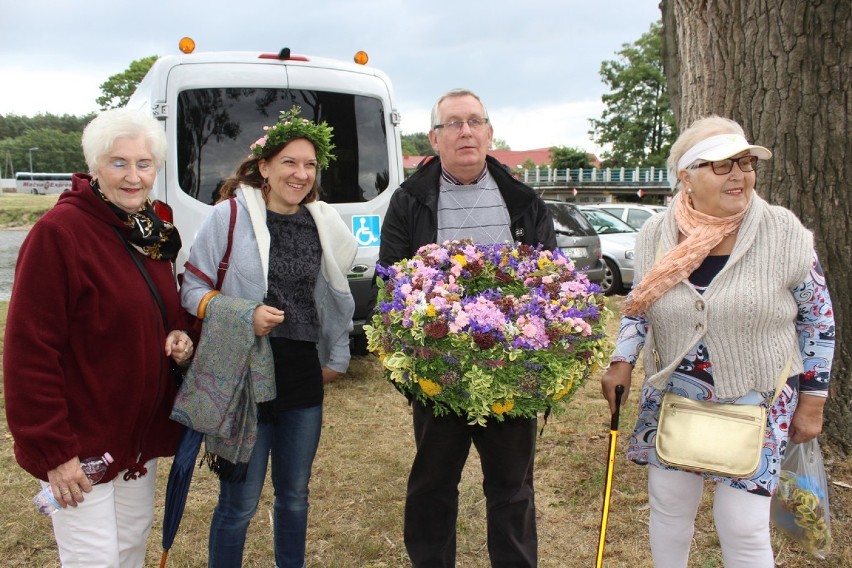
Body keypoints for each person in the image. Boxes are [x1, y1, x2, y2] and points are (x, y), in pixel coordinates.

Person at [600, 116, 835, 567]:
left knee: (743, 525)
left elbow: (818, 321)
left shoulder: (784, 233)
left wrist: (813, 401)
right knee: (669, 510)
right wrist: (622, 360)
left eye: (745, 163)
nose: (739, 175)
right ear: (686, 176)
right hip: (675, 395)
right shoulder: (656, 233)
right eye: (721, 165)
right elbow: (639, 306)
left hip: (759, 394)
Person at [3, 108, 192, 567]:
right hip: (80, 445)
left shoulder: (150, 231)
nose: (133, 176)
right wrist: (55, 451)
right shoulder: (60, 234)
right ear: (94, 168)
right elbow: (30, 352)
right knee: (94, 560)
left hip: (135, 442)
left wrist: (180, 336)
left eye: (144, 164)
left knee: (129, 551)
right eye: (119, 163)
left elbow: (159, 308)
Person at [378, 88, 556, 567]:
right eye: (453, 124)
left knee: (513, 490)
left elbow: (550, 283)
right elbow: (391, 283)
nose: (465, 131)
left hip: (511, 373)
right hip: (440, 371)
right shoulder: (409, 201)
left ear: (490, 133)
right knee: (432, 485)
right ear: (435, 138)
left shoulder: (523, 200)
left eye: (474, 121)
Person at [180, 106, 356, 568]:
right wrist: (243, 314)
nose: (301, 174)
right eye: (289, 163)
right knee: (239, 503)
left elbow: (334, 297)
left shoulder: (322, 224)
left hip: (300, 375)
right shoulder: (230, 217)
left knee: (295, 496)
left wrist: (336, 355)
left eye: (310, 165)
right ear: (264, 168)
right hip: (244, 375)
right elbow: (192, 288)